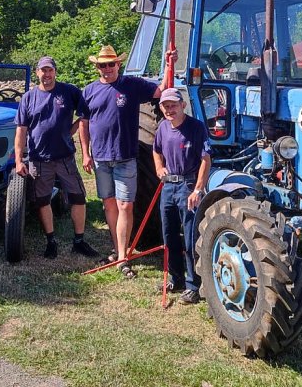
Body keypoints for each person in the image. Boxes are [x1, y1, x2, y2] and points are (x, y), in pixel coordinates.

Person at [79, 44, 176, 279]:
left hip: (126, 158)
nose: (107, 68)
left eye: (111, 63)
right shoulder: (89, 91)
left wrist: (168, 63)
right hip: (101, 158)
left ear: (118, 65)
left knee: (126, 205)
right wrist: (85, 153)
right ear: (97, 67)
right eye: (102, 65)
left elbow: (162, 90)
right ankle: (119, 248)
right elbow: (84, 123)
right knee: (109, 205)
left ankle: (123, 257)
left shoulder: (131, 85)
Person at [14, 56, 99, 259]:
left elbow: (87, 111)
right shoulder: (29, 98)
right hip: (39, 159)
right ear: (37, 73)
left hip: (65, 158)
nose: (47, 74)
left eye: (50, 70)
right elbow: (21, 130)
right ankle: (50, 241)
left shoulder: (68, 91)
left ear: (55, 72)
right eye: (43, 70)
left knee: (78, 197)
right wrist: (18, 160)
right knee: (43, 201)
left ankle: (79, 241)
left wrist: (73, 128)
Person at [152, 88, 211, 304]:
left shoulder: (196, 127)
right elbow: (156, 150)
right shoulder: (162, 127)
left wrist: (197, 189)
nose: (170, 110)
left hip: (188, 185)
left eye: (173, 105)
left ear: (182, 105)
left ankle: (193, 285)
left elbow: (206, 159)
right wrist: (159, 169)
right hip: (168, 186)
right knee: (168, 234)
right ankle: (174, 279)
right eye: (166, 106)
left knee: (189, 237)